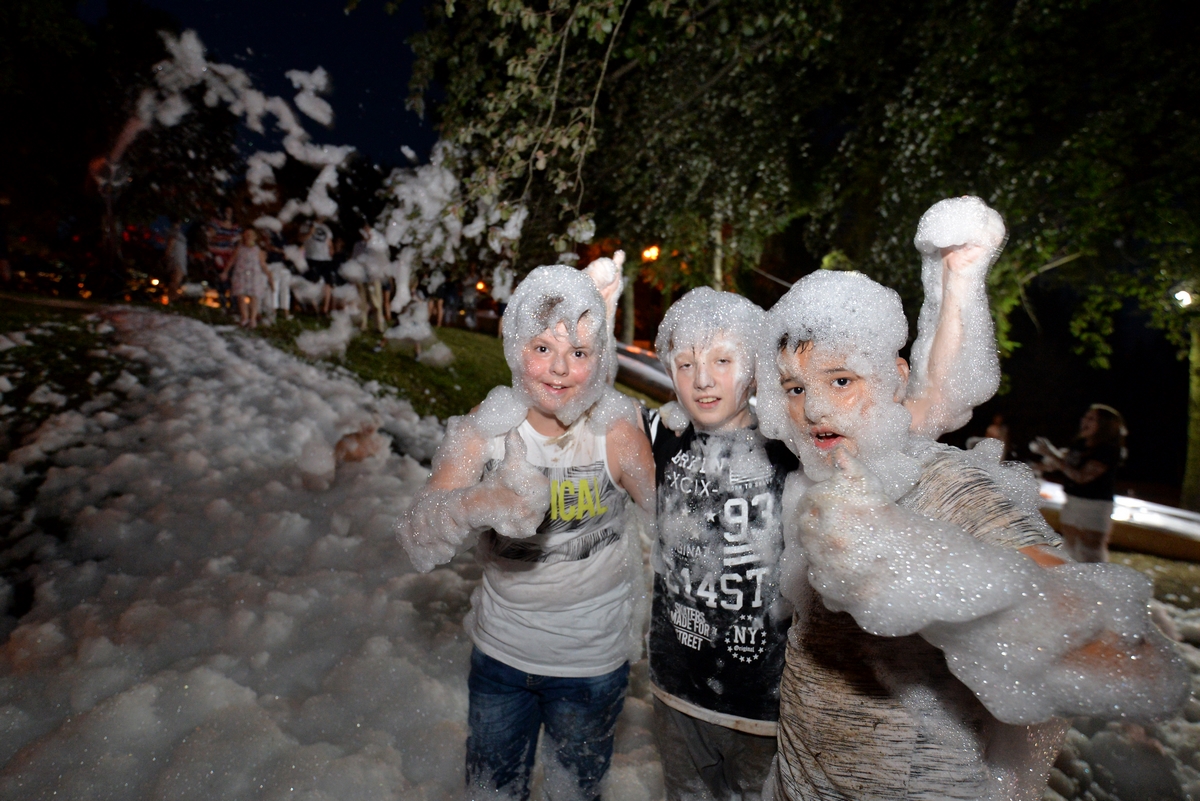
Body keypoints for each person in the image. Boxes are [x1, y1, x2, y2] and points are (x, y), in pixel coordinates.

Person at [754, 269, 1188, 801]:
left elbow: (1136, 662)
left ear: (892, 376)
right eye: (795, 388)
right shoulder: (815, 485)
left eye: (841, 380)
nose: (813, 409)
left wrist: (912, 568)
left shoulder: (951, 487)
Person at [644, 197, 1006, 801]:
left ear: (754, 372)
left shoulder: (791, 439)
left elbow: (933, 401)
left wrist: (959, 281)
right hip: (675, 684)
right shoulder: (663, 434)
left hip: (766, 704)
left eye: (723, 360)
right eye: (684, 364)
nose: (702, 378)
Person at [395, 264, 655, 801]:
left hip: (592, 663)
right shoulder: (486, 426)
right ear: (516, 348)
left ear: (596, 361)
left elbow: (674, 527)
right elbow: (417, 536)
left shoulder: (618, 428)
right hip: (502, 658)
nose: (560, 369)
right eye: (543, 348)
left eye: (579, 354)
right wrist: (481, 501)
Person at [1032, 404, 1126, 562]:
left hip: (1094, 507)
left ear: (1104, 425)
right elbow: (1062, 463)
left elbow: (1081, 476)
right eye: (1085, 417)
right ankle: (1070, 584)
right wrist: (1034, 466)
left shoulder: (1107, 450)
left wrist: (1051, 454)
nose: (1084, 421)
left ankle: (1092, 585)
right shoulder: (1080, 445)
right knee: (1070, 548)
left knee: (1090, 553)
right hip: (1072, 502)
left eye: (1091, 419)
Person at [228, 228, 273, 329]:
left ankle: (252, 319)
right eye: (247, 234)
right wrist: (225, 272)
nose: (248, 236)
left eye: (251, 234)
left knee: (254, 296)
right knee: (241, 295)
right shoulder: (239, 248)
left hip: (254, 274)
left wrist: (269, 275)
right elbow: (232, 260)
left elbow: (262, 264)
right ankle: (245, 317)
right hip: (241, 274)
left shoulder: (258, 250)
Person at [206, 207, 241, 310]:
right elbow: (210, 236)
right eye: (226, 211)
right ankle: (223, 305)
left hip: (231, 258)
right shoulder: (216, 224)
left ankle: (234, 306)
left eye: (230, 212)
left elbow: (239, 240)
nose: (228, 214)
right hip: (219, 256)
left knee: (233, 281)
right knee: (221, 281)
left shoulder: (235, 227)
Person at [302, 217, 335, 315]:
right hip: (312, 257)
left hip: (326, 259)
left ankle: (324, 309)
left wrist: (331, 249)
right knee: (313, 283)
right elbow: (301, 238)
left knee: (328, 283)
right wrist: (310, 231)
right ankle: (314, 307)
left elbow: (329, 241)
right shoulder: (306, 225)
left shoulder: (326, 228)